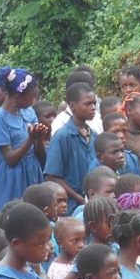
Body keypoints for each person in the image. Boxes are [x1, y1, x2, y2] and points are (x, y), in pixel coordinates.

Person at [0, 68, 49, 210]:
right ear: (18, 97)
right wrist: (30, 139)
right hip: (12, 178)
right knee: (13, 214)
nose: (34, 100)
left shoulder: (29, 112)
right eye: (32, 96)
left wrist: (39, 139)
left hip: (33, 172)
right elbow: (10, 159)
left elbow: (40, 156)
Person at [44, 82, 98, 210]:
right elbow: (52, 176)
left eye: (94, 103)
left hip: (93, 203)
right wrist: (79, 199)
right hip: (71, 206)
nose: (93, 107)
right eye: (87, 104)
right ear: (72, 106)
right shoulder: (62, 137)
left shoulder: (94, 135)